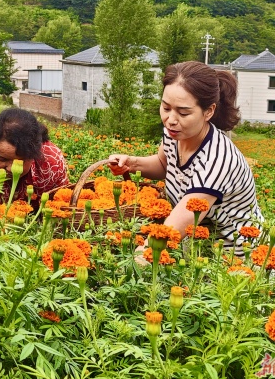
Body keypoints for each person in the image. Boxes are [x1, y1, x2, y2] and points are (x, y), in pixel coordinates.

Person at [108, 61, 262, 255]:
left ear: (209, 111)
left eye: (183, 112)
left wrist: (132, 262)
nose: (171, 120)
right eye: (166, 108)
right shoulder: (176, 133)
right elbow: (164, 164)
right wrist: (132, 163)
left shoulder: (216, 161)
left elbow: (170, 230)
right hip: (194, 250)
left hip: (231, 262)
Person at [0, 108, 69, 204]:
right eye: (2, 159)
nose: (11, 168)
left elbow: (62, 205)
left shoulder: (52, 161)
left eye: (20, 161)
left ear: (34, 154)